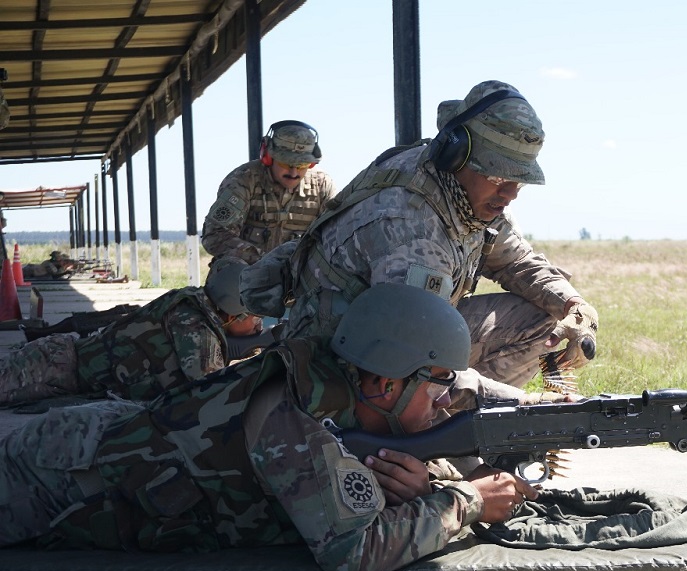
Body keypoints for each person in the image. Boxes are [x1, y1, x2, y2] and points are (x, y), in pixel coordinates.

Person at [0, 283, 538, 571]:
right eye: (438, 382)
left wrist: (429, 486)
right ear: (384, 382)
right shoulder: (294, 420)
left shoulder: (345, 390)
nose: (445, 399)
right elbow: (354, 553)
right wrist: (466, 502)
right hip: (62, 472)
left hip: (92, 446)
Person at [243, 81, 599, 410]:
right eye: (498, 175)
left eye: (519, 181)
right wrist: (521, 402)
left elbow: (515, 261)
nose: (510, 194)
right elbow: (412, 362)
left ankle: (453, 425)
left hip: (399, 343)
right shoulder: (411, 226)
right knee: (422, 402)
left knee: (544, 317)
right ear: (455, 154)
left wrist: (575, 306)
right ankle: (446, 434)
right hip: (344, 367)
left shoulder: (467, 195)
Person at [0, 256, 261, 406]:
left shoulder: (193, 301)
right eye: (255, 317)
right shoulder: (193, 323)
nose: (258, 324)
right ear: (232, 313)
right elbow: (211, 388)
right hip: (57, 366)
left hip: (65, 370)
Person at [201, 120, 337, 264]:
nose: (294, 172)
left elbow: (335, 236)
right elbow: (215, 235)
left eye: (302, 165)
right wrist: (266, 261)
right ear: (268, 158)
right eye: (285, 163)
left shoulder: (322, 185)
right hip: (247, 270)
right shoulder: (244, 179)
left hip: (299, 271)